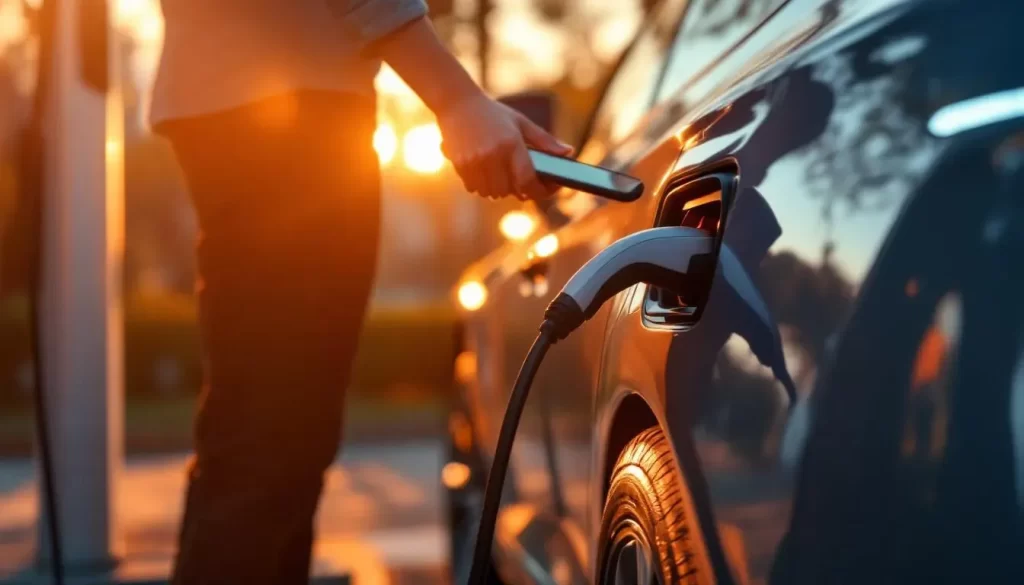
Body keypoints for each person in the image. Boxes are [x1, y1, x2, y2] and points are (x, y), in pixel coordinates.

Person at [150, 2, 571, 583]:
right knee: (270, 446)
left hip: (247, 99)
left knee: (271, 443)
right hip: (289, 108)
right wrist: (456, 98)